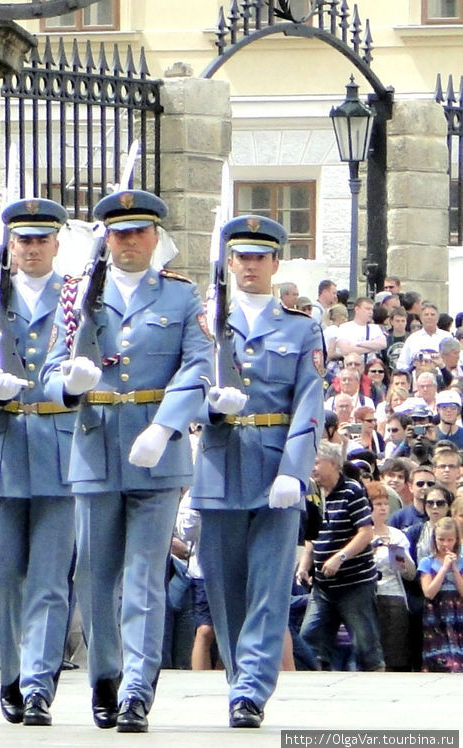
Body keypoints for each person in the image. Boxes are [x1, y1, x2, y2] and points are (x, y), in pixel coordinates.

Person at [42, 189, 212, 733]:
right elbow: (50, 369)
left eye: (139, 231)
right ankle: (105, 676)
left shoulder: (181, 298)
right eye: (119, 233)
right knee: (94, 574)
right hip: (94, 444)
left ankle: (139, 686)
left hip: (154, 450)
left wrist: (166, 424)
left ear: (156, 237)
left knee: (144, 576)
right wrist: (68, 381)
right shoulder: (78, 297)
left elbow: (199, 365)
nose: (129, 241)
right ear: (106, 239)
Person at [189, 215, 322, 728]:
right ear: (229, 261)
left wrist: (295, 468)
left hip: (274, 469)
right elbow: (184, 393)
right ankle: (237, 678)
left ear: (275, 263)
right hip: (220, 462)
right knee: (223, 588)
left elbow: (310, 401)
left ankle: (251, 689)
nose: (249, 265)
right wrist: (209, 409)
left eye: (259, 257)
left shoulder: (301, 326)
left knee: (269, 587)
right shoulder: (205, 322)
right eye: (240, 256)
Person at [0, 198, 75, 726]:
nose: (30, 248)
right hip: (4, 447)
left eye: (40, 239)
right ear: (9, 244)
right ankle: (11, 669)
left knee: (51, 578)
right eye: (22, 240)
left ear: (56, 243)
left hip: (57, 447)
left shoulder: (78, 298)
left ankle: (38, 684)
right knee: (2, 573)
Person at [297, 443, 385, 673]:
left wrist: (340, 557)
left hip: (354, 584)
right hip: (323, 586)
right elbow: (312, 537)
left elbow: (365, 532)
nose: (312, 468)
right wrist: (304, 566)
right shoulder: (312, 493)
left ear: (334, 464)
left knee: (366, 646)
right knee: (309, 639)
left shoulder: (352, 491)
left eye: (316, 462)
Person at [367, 481, 416, 671]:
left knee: (396, 654)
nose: (383, 508)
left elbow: (409, 574)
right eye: (377, 503)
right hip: (367, 597)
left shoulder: (397, 535)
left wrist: (396, 553)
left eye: (385, 503)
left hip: (393, 596)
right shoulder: (359, 535)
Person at [418, 516, 463, 672]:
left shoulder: (461, 561)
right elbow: (429, 592)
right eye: (441, 539)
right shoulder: (427, 562)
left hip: (457, 611)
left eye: (450, 540)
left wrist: (455, 569)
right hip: (436, 612)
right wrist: (443, 569)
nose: (445, 544)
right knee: (439, 658)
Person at [396, 303, 452, 373]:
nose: (429, 317)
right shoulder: (413, 338)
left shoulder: (448, 337)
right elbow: (401, 364)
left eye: (432, 314)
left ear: (437, 318)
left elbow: (455, 362)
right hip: (418, 381)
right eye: (426, 314)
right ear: (421, 318)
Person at [335, 297, 386, 366]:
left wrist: (359, 344)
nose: (370, 312)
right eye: (367, 309)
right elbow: (346, 350)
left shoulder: (375, 328)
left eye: (372, 309)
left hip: (370, 367)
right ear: (357, 309)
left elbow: (383, 344)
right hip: (352, 366)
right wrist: (372, 348)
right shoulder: (345, 327)